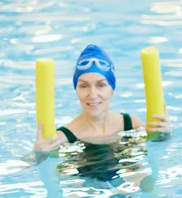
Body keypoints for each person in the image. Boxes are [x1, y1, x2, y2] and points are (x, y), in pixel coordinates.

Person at [33, 44, 171, 154]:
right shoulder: (63, 138)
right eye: (84, 86)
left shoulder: (130, 124)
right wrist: (38, 154)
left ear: (112, 89)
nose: (92, 95)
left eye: (101, 85)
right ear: (76, 90)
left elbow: (153, 153)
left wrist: (164, 136)